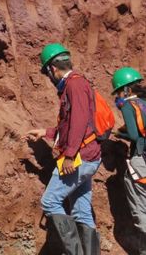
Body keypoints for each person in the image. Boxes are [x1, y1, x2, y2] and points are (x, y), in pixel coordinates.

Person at [24, 43, 101, 255]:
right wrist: (47, 132)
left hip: (80, 157)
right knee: (82, 211)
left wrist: (69, 155)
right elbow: (70, 124)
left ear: (52, 69)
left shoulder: (74, 85)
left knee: (49, 201)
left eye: (47, 72)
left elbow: (78, 121)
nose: (49, 78)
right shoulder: (76, 85)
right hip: (87, 155)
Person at [112, 67, 146, 254]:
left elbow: (134, 135)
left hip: (140, 160)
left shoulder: (128, 105)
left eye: (118, 92)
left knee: (140, 208)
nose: (118, 97)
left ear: (125, 90)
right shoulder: (145, 102)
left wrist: (118, 132)